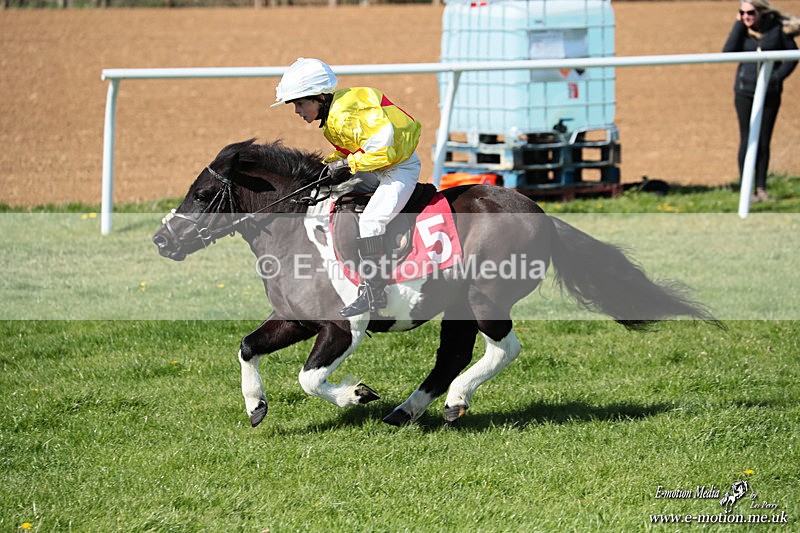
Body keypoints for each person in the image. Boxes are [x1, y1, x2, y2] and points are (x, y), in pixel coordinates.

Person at [272, 58, 422, 317]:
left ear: (320, 97)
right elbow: (348, 151)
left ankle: (375, 292)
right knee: (331, 193)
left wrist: (348, 164)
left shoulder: (345, 113)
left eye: (300, 103)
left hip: (399, 169)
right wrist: (326, 167)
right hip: (376, 168)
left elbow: (383, 150)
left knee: (371, 222)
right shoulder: (332, 120)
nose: (297, 111)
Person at [723, 1, 799, 202]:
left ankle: (761, 188)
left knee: (763, 141)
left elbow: (792, 57)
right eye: (742, 12)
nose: (745, 16)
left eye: (750, 12)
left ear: (762, 12)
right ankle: (746, 190)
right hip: (744, 92)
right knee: (747, 139)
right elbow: (727, 53)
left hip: (769, 94)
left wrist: (774, 78)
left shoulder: (777, 30)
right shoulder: (742, 31)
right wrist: (739, 25)